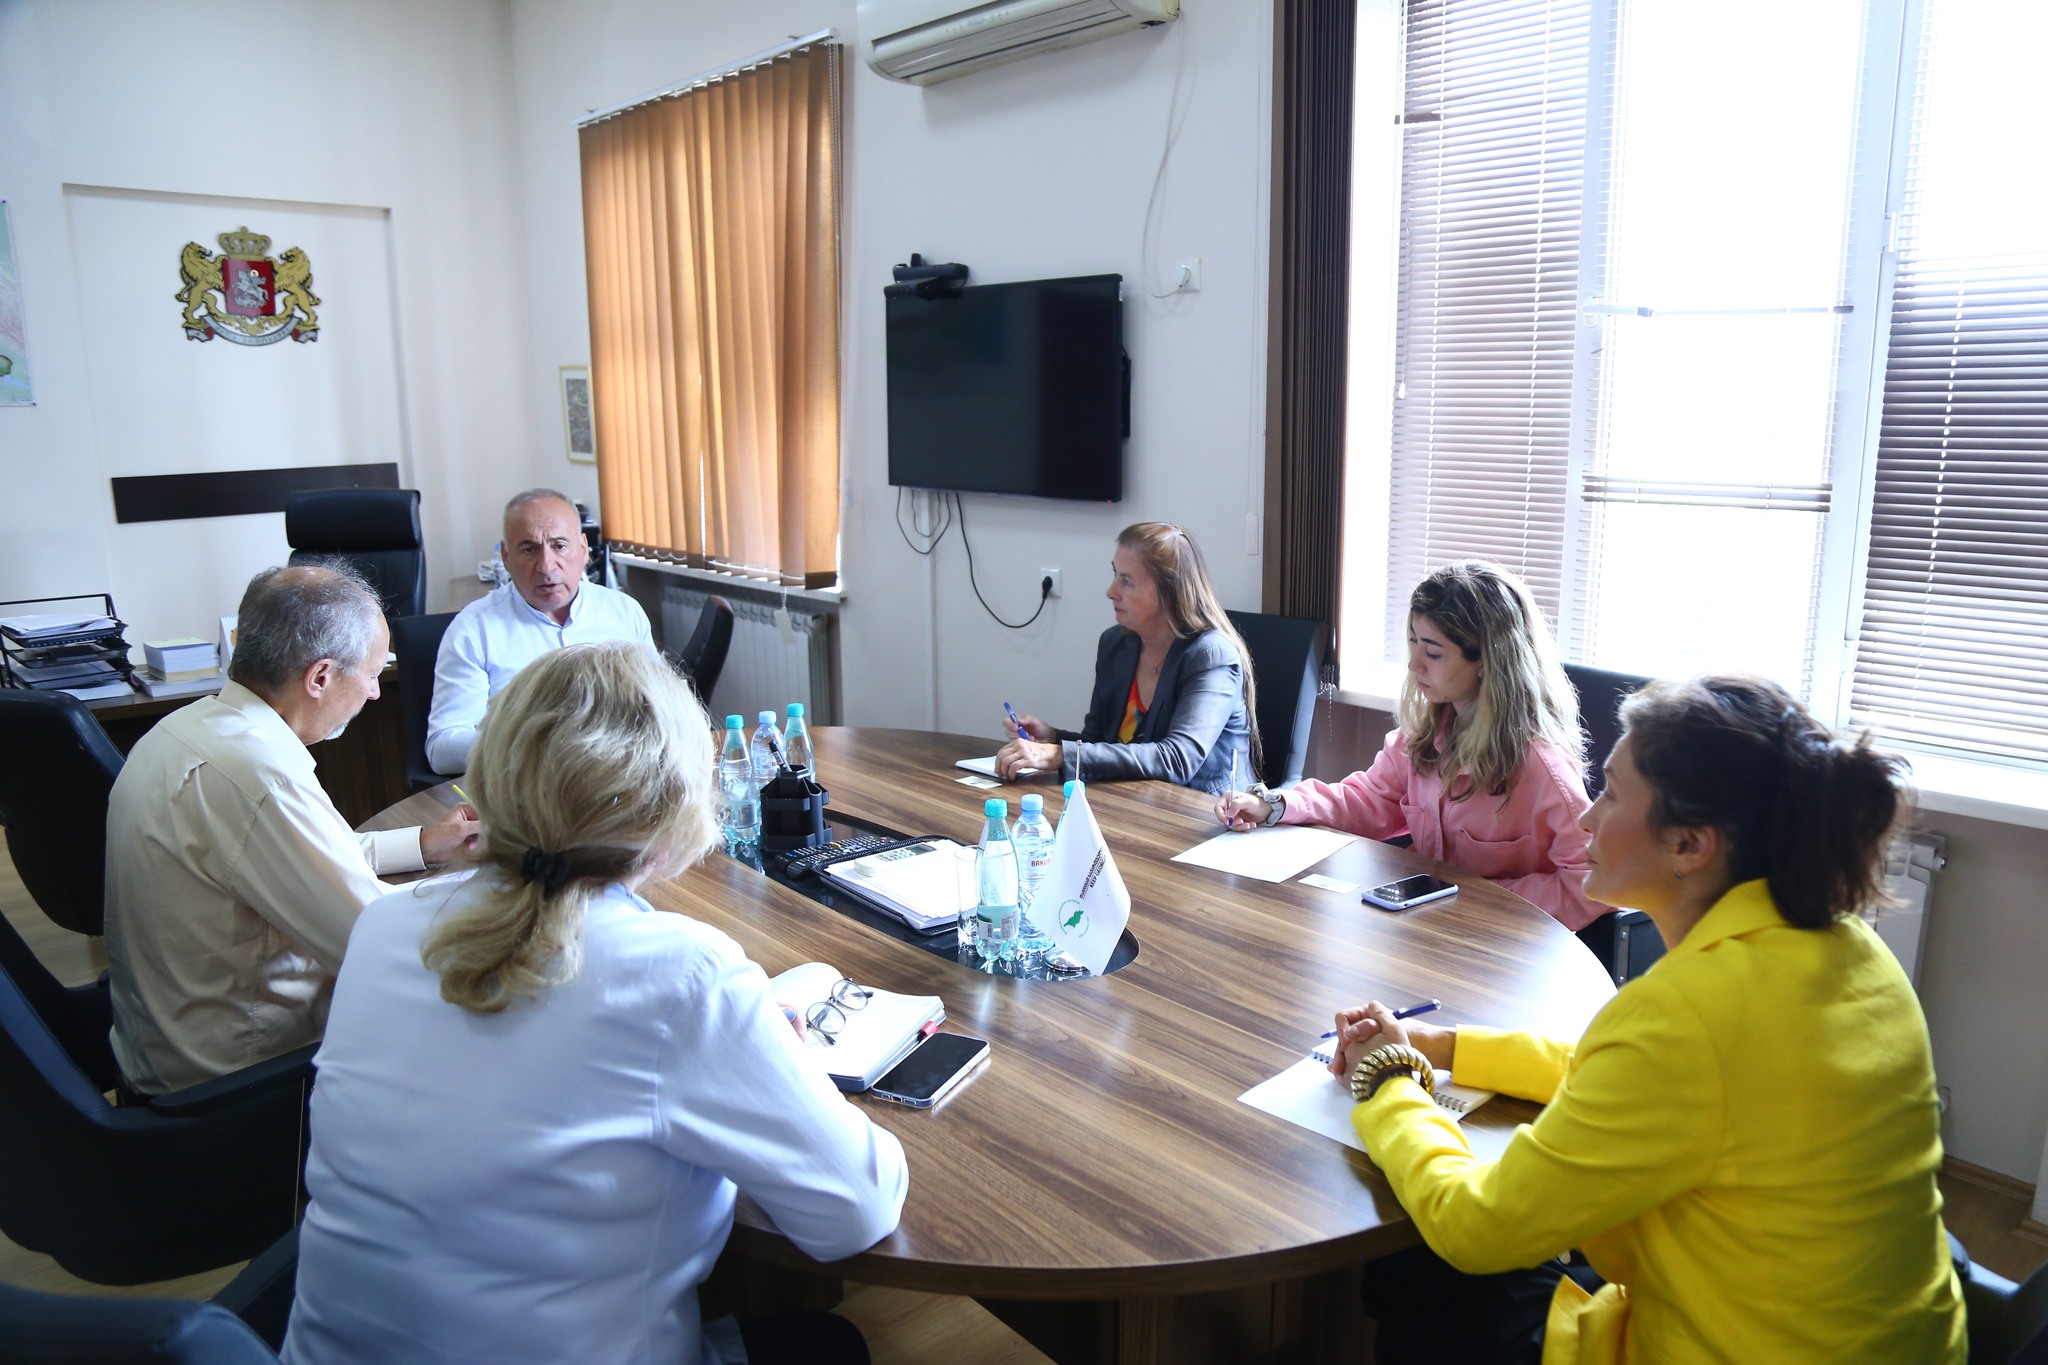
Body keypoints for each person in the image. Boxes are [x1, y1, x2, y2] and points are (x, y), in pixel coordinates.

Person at [283, 643, 907, 1365]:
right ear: (673, 803)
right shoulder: (684, 976)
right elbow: (854, 1211)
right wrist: (782, 1063)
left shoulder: (384, 924)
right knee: (830, 1343)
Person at [1331, 676, 1966, 1365]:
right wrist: (1448, 1046)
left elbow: (1474, 1226)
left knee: (1424, 1265)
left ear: (1689, 844)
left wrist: (1388, 1077)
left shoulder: (1687, 1014)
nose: (1585, 818)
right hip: (1888, 1339)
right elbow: (1650, 1078)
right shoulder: (1851, 949)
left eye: (1609, 793)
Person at [103, 564, 478, 1097]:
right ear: (320, 677)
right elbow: (375, 944)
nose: (376, 692)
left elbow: (287, 853)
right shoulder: (260, 774)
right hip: (237, 1084)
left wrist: (422, 844)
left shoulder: (182, 730)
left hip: (160, 1046)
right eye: (373, 672)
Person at [1216, 561, 1604, 931]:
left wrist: (1484, 903)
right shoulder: (1424, 733)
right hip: (1429, 929)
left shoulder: (1540, 766)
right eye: (1414, 643)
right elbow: (1368, 799)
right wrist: (1275, 805)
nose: (1414, 664)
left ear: (1488, 660)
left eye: (1432, 653)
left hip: (1505, 948)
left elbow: (1591, 883)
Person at [996, 521, 1255, 794]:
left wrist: (1060, 755)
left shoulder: (1211, 656)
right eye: (1115, 574)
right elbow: (1098, 743)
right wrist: (1051, 739)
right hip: (1134, 803)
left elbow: (1179, 760)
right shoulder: (1115, 644)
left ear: (1168, 593)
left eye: (1127, 581)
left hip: (1206, 810)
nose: (1111, 591)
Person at [424, 487, 653, 774]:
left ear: (584, 549)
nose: (546, 566)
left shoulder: (624, 613)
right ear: (506, 556)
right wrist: (539, 744)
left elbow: (656, 708)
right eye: (529, 549)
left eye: (559, 546)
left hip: (619, 776)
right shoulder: (473, 631)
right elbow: (442, 749)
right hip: (521, 783)